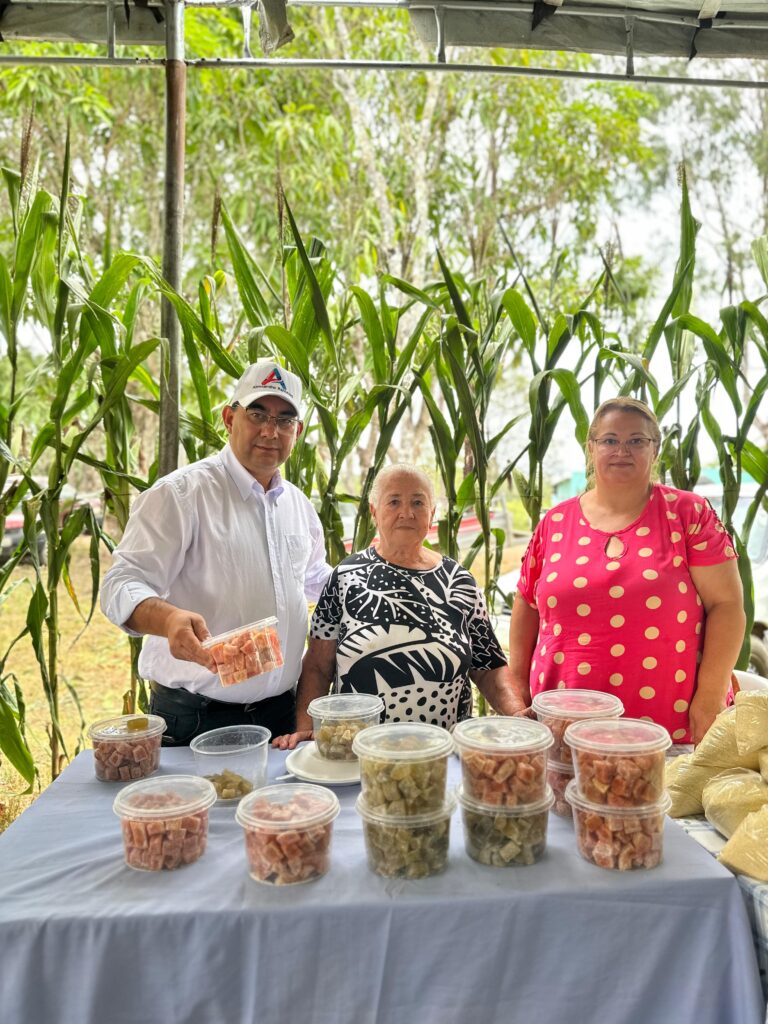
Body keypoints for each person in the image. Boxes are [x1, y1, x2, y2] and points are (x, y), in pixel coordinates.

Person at [100, 360, 331, 743]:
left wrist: (373, 577)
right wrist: (168, 619)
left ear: (298, 431)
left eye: (284, 420)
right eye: (257, 414)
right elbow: (121, 582)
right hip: (196, 716)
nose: (270, 431)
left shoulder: (298, 506)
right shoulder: (182, 495)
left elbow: (314, 580)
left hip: (280, 715)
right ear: (229, 417)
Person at [508, 397, 745, 745]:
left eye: (637, 440)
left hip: (669, 723)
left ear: (655, 450)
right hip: (563, 724)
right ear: (591, 449)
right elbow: (527, 604)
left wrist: (709, 696)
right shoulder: (555, 522)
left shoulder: (688, 514)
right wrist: (517, 692)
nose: (623, 450)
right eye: (609, 440)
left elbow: (727, 607)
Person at [273, 463, 528, 749]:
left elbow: (490, 668)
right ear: (374, 511)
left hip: (443, 756)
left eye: (418, 502)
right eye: (394, 501)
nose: (406, 512)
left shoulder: (460, 582)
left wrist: (518, 715)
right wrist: (307, 733)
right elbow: (317, 668)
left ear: (432, 514)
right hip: (359, 754)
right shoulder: (344, 578)